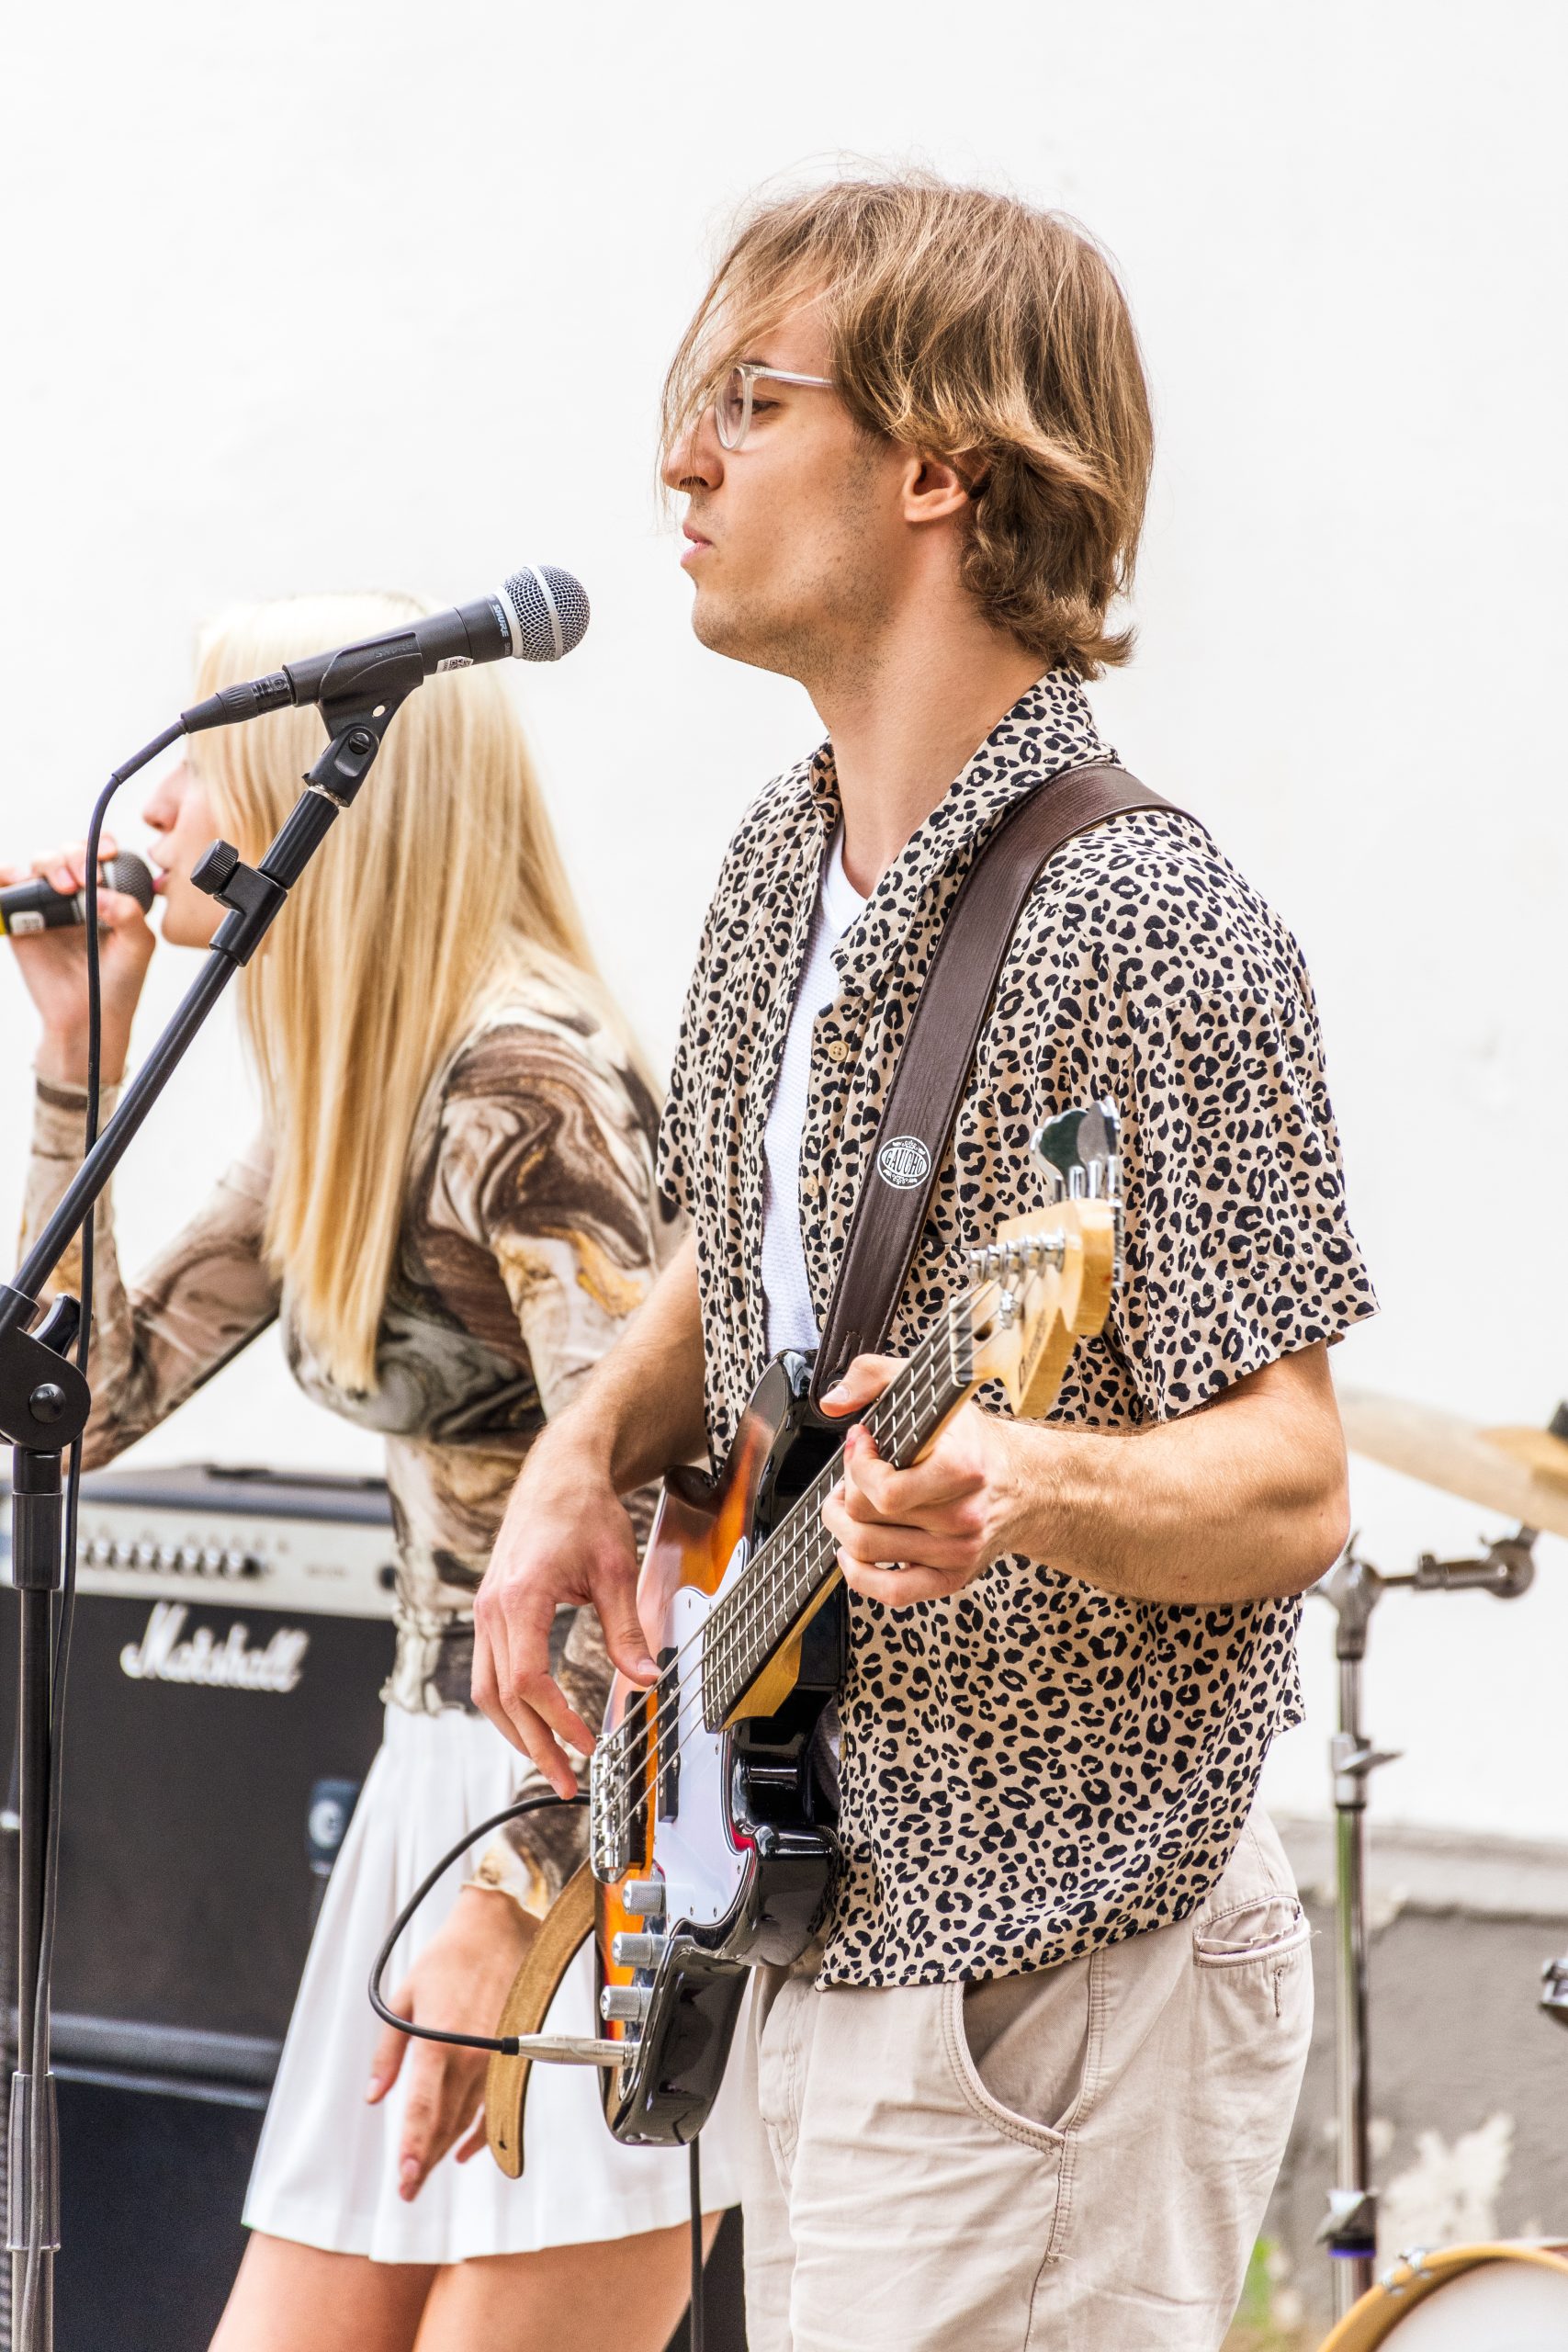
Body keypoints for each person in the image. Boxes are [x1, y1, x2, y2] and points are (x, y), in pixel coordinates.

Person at [470, 175, 1379, 2352]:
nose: (680, 460)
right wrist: (588, 1445)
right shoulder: (781, 861)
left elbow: (1292, 1476)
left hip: (1044, 1956)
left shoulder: (1148, 927)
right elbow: (755, 1253)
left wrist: (1025, 1478)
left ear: (937, 467)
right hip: (824, 1910)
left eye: (746, 401)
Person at [5, 591, 741, 2352]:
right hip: (443, 1772)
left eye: (203, 761)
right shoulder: (359, 1090)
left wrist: (525, 1882)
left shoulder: (523, 1091)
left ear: (324, 794)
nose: (156, 808)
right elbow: (78, 1409)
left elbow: (679, 1521)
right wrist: (79, 1061)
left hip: (594, 1803)